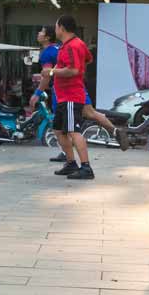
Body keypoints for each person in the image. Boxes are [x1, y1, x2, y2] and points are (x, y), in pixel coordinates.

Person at [48, 15, 97, 180]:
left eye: (55, 27)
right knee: (58, 129)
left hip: (70, 96)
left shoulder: (72, 46)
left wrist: (53, 71)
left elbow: (73, 70)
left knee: (73, 130)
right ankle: (71, 163)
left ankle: (86, 167)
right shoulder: (73, 45)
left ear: (61, 28)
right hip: (63, 96)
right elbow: (88, 59)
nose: (55, 30)